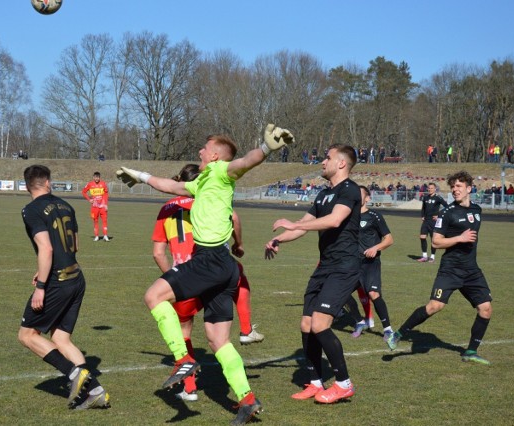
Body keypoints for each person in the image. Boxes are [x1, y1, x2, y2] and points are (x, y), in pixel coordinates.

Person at [117, 124, 294, 424]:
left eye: (204, 147)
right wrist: (140, 176)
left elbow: (245, 162)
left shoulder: (223, 170)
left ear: (214, 155)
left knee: (153, 296)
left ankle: (183, 360)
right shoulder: (201, 181)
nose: (199, 151)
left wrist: (265, 149)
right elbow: (170, 186)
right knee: (218, 341)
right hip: (225, 267)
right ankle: (247, 400)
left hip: (210, 260)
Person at [151, 164, 264, 402]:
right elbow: (233, 216)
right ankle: (246, 390)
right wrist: (239, 243)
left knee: (184, 333)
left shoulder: (165, 209)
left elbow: (158, 253)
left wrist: (173, 279)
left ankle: (189, 387)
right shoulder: (208, 199)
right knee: (223, 334)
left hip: (187, 275)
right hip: (214, 272)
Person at [264, 144, 360, 404]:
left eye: (327, 158)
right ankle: (316, 382)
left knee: (320, 324)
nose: (322, 161)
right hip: (324, 266)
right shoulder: (322, 195)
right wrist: (280, 240)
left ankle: (343, 384)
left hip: (344, 267)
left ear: (341, 163)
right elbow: (304, 227)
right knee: (306, 324)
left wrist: (294, 224)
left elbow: (335, 221)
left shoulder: (349, 190)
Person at [17, 165, 110, 410]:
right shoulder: (66, 205)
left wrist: (41, 286)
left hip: (57, 281)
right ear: (48, 182)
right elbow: (74, 246)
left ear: (28, 186)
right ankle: (95, 392)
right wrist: (44, 268)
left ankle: (73, 374)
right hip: (77, 277)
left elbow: (46, 248)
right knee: (61, 338)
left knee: (27, 335)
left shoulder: (31, 210)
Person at [387, 171, 493, 365]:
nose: (455, 190)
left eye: (459, 187)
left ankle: (470, 351)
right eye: (453, 187)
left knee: (485, 309)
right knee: (435, 306)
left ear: (469, 189)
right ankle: (398, 333)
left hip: (471, 270)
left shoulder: (477, 210)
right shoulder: (447, 212)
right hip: (450, 269)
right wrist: (459, 238)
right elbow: (436, 242)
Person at [350, 185, 395, 340]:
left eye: (360, 194)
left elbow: (389, 239)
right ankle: (359, 320)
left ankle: (388, 329)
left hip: (370, 263)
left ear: (367, 198)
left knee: (373, 294)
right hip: (352, 263)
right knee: (338, 292)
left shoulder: (375, 216)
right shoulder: (348, 215)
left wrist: (375, 248)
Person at [418, 182, 448, 263]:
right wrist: (422, 216)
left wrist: (439, 215)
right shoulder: (425, 197)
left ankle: (432, 256)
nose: (430, 189)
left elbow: (447, 207)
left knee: (433, 240)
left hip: (433, 221)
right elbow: (423, 208)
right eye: (429, 188)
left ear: (435, 189)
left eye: (431, 188)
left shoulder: (438, 198)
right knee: (422, 237)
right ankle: (424, 256)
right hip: (426, 221)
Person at [81, 172, 109, 242]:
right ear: (93, 177)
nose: (97, 179)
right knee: (95, 221)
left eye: (98, 177)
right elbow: (83, 192)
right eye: (95, 177)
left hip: (102, 206)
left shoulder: (103, 184)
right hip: (94, 207)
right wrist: (89, 199)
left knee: (104, 221)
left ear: (100, 177)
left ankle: (105, 236)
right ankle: (96, 236)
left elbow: (106, 193)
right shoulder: (90, 184)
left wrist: (105, 204)